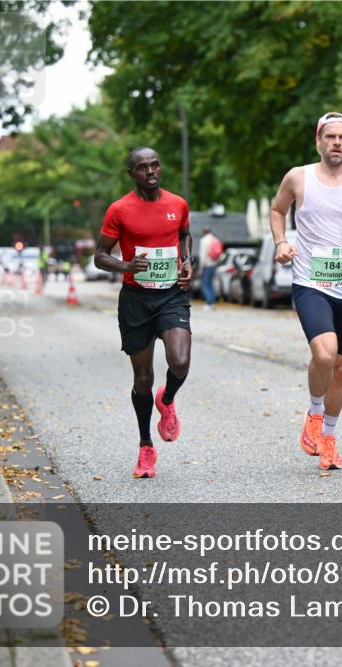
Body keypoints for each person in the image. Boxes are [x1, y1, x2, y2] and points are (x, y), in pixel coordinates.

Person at [270, 112, 342, 470]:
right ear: (318, 141)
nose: (336, 143)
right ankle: (315, 414)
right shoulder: (298, 177)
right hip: (310, 282)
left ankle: (330, 439)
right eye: (330, 137)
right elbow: (277, 210)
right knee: (325, 353)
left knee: (341, 367)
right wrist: (281, 242)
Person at [94, 147, 193, 479]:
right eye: (142, 167)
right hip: (136, 300)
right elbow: (99, 256)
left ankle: (168, 399)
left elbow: (184, 235)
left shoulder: (177, 204)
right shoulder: (119, 210)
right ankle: (146, 447)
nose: (151, 171)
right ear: (132, 173)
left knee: (180, 361)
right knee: (143, 379)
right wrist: (125, 264)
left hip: (171, 295)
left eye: (155, 165)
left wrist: (188, 261)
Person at [197, 227, 222, 310]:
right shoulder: (215, 239)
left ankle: (209, 302)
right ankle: (212, 302)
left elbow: (202, 256)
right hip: (214, 265)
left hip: (206, 265)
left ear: (204, 232)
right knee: (210, 284)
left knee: (205, 284)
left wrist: (200, 268)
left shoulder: (204, 241)